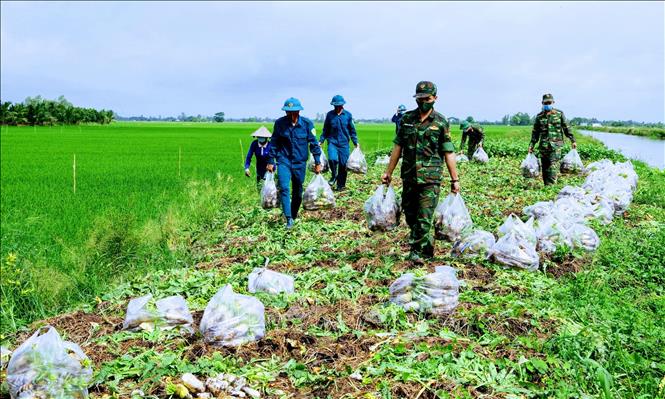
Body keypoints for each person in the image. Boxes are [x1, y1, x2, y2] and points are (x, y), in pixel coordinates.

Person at [381, 81, 460, 265]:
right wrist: (388, 172)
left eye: (427, 99)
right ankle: (427, 246)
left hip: (431, 179)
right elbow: (397, 147)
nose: (423, 102)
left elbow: (448, 151)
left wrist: (454, 179)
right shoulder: (407, 119)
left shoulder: (441, 122)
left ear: (435, 98)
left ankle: (416, 253)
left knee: (424, 217)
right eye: (420, 99)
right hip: (409, 176)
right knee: (410, 216)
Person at [267, 97, 322, 229]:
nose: (291, 114)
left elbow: (314, 144)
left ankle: (294, 213)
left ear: (299, 111)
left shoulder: (307, 124)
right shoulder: (280, 124)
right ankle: (288, 218)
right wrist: (270, 160)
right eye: (288, 112)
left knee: (298, 191)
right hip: (283, 161)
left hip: (299, 163)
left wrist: (318, 161)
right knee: (284, 188)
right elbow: (274, 142)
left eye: (294, 111)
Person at [528, 93, 576, 185]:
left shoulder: (559, 114)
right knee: (545, 168)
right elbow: (535, 133)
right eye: (546, 103)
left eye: (549, 102)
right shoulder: (539, 117)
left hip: (556, 146)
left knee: (552, 167)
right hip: (543, 147)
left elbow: (566, 128)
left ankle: (551, 187)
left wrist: (572, 140)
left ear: (553, 102)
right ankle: (547, 187)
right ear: (542, 103)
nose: (548, 105)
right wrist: (531, 145)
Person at [319, 95, 359, 191]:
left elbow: (352, 130)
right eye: (335, 106)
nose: (337, 107)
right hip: (332, 142)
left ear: (342, 105)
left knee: (343, 165)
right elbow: (325, 130)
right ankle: (334, 175)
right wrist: (321, 140)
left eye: (339, 105)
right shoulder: (329, 115)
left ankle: (341, 185)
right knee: (332, 159)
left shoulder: (348, 115)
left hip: (344, 144)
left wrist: (355, 142)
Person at [244, 126, 273, 191]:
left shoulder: (270, 145)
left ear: (266, 138)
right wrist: (247, 168)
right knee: (259, 187)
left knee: (269, 189)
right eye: (259, 137)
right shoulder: (254, 144)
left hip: (270, 169)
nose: (261, 138)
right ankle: (260, 200)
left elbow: (276, 156)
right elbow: (249, 156)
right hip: (259, 168)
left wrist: (271, 165)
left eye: (262, 137)